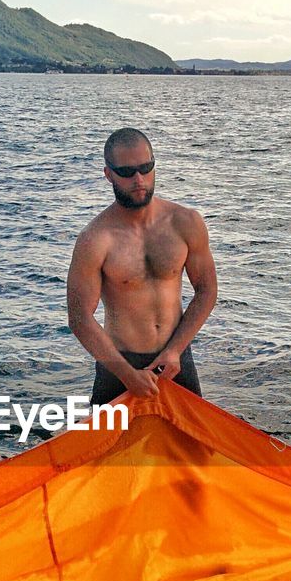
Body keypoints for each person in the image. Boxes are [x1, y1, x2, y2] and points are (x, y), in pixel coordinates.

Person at [67, 127, 217, 405]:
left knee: (192, 446)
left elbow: (206, 290)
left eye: (146, 168)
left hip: (176, 359)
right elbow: (79, 318)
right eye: (127, 172)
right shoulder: (95, 239)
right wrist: (127, 374)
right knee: (106, 448)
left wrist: (175, 350)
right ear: (108, 174)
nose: (139, 179)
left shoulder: (185, 222)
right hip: (118, 364)